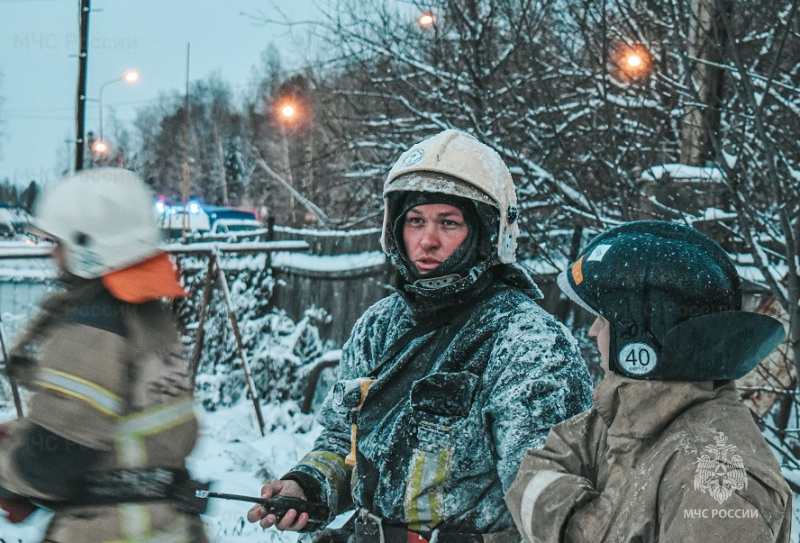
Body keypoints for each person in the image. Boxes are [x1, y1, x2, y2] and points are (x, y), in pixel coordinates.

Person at [247, 129, 593, 542]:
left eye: (449, 223)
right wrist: (307, 485)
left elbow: (551, 505)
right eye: (416, 221)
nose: (427, 240)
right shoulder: (378, 326)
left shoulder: (528, 344)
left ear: (487, 233)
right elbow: (344, 440)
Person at [505, 220, 792, 543]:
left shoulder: (719, 478)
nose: (592, 332)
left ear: (639, 335)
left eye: (601, 319)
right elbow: (534, 473)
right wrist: (589, 527)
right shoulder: (623, 415)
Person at [0, 168, 208, 542]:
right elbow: (123, 426)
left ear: (87, 245)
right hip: (169, 526)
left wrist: (8, 472)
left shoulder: (91, 329)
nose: (52, 254)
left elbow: (55, 458)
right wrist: (23, 433)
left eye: (58, 243)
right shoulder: (148, 317)